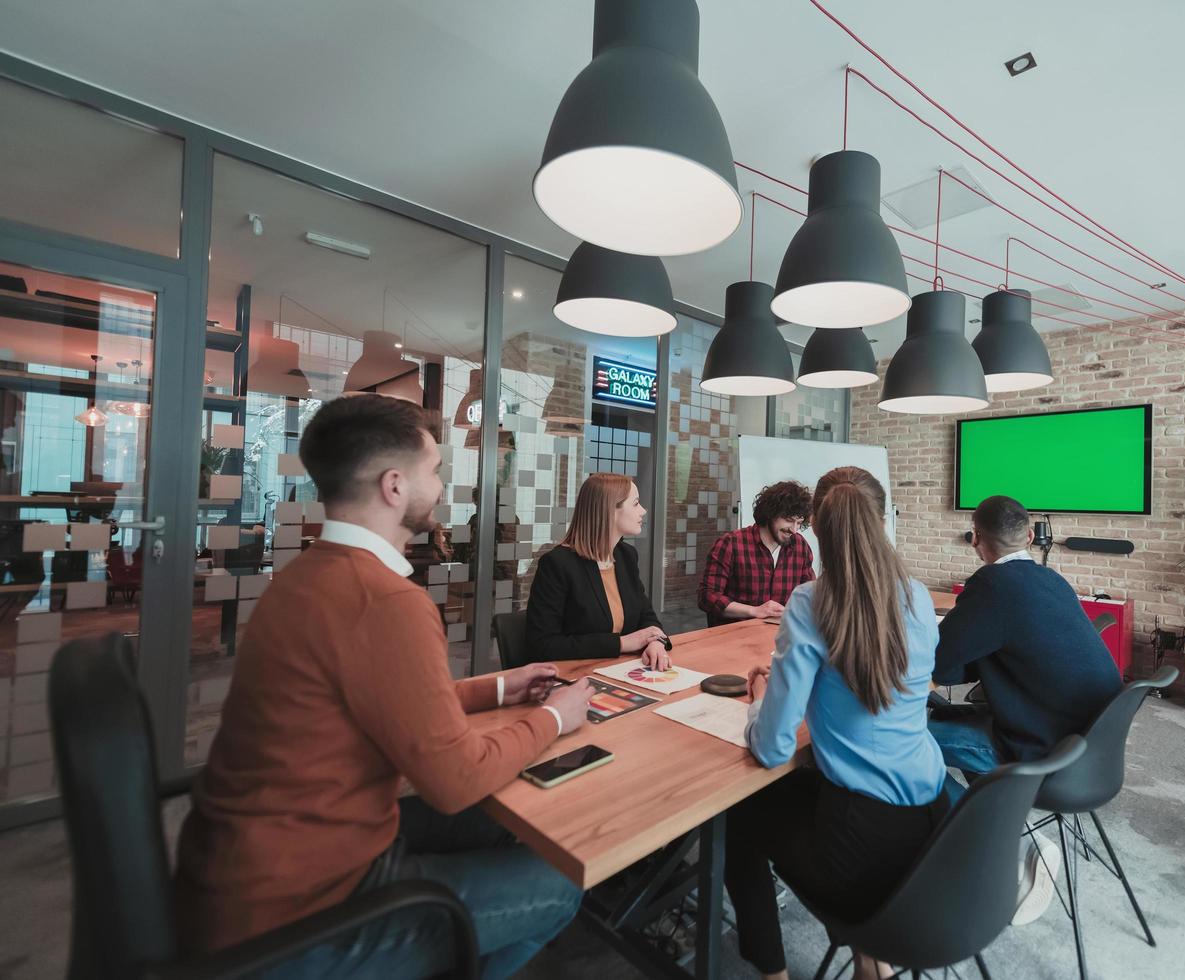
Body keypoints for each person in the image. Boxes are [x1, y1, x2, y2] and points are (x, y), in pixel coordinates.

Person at [174, 394, 595, 979]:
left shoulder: (304, 577)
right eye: (436, 472)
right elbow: (455, 781)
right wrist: (556, 716)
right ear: (395, 486)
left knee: (512, 825)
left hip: (243, 874)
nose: (444, 487)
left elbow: (376, 701)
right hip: (305, 912)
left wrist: (500, 689)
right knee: (562, 882)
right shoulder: (386, 602)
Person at [724, 466, 948, 980]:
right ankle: (874, 959)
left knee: (739, 817)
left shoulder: (810, 602)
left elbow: (773, 747)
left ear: (816, 529)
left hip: (859, 838)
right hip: (933, 821)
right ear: (884, 518)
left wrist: (760, 696)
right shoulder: (917, 596)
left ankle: (772, 973)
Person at [928, 494, 1122, 774]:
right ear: (1030, 536)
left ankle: (958, 814)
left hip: (1038, 749)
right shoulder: (1052, 579)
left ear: (975, 538)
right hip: (1085, 746)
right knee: (943, 714)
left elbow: (939, 665)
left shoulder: (991, 584)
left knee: (893, 739)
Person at [526, 472, 671, 668]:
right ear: (610, 510)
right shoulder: (557, 564)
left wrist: (654, 642)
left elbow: (646, 615)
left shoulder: (626, 555)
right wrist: (622, 643)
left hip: (621, 670)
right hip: (575, 678)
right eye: (636, 503)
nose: (643, 511)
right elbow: (543, 645)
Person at [697, 480, 815, 627]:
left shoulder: (800, 546)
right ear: (771, 513)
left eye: (799, 523)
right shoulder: (731, 544)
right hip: (734, 638)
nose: (794, 530)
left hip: (782, 637)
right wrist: (754, 611)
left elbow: (809, 595)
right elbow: (707, 597)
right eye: (789, 520)